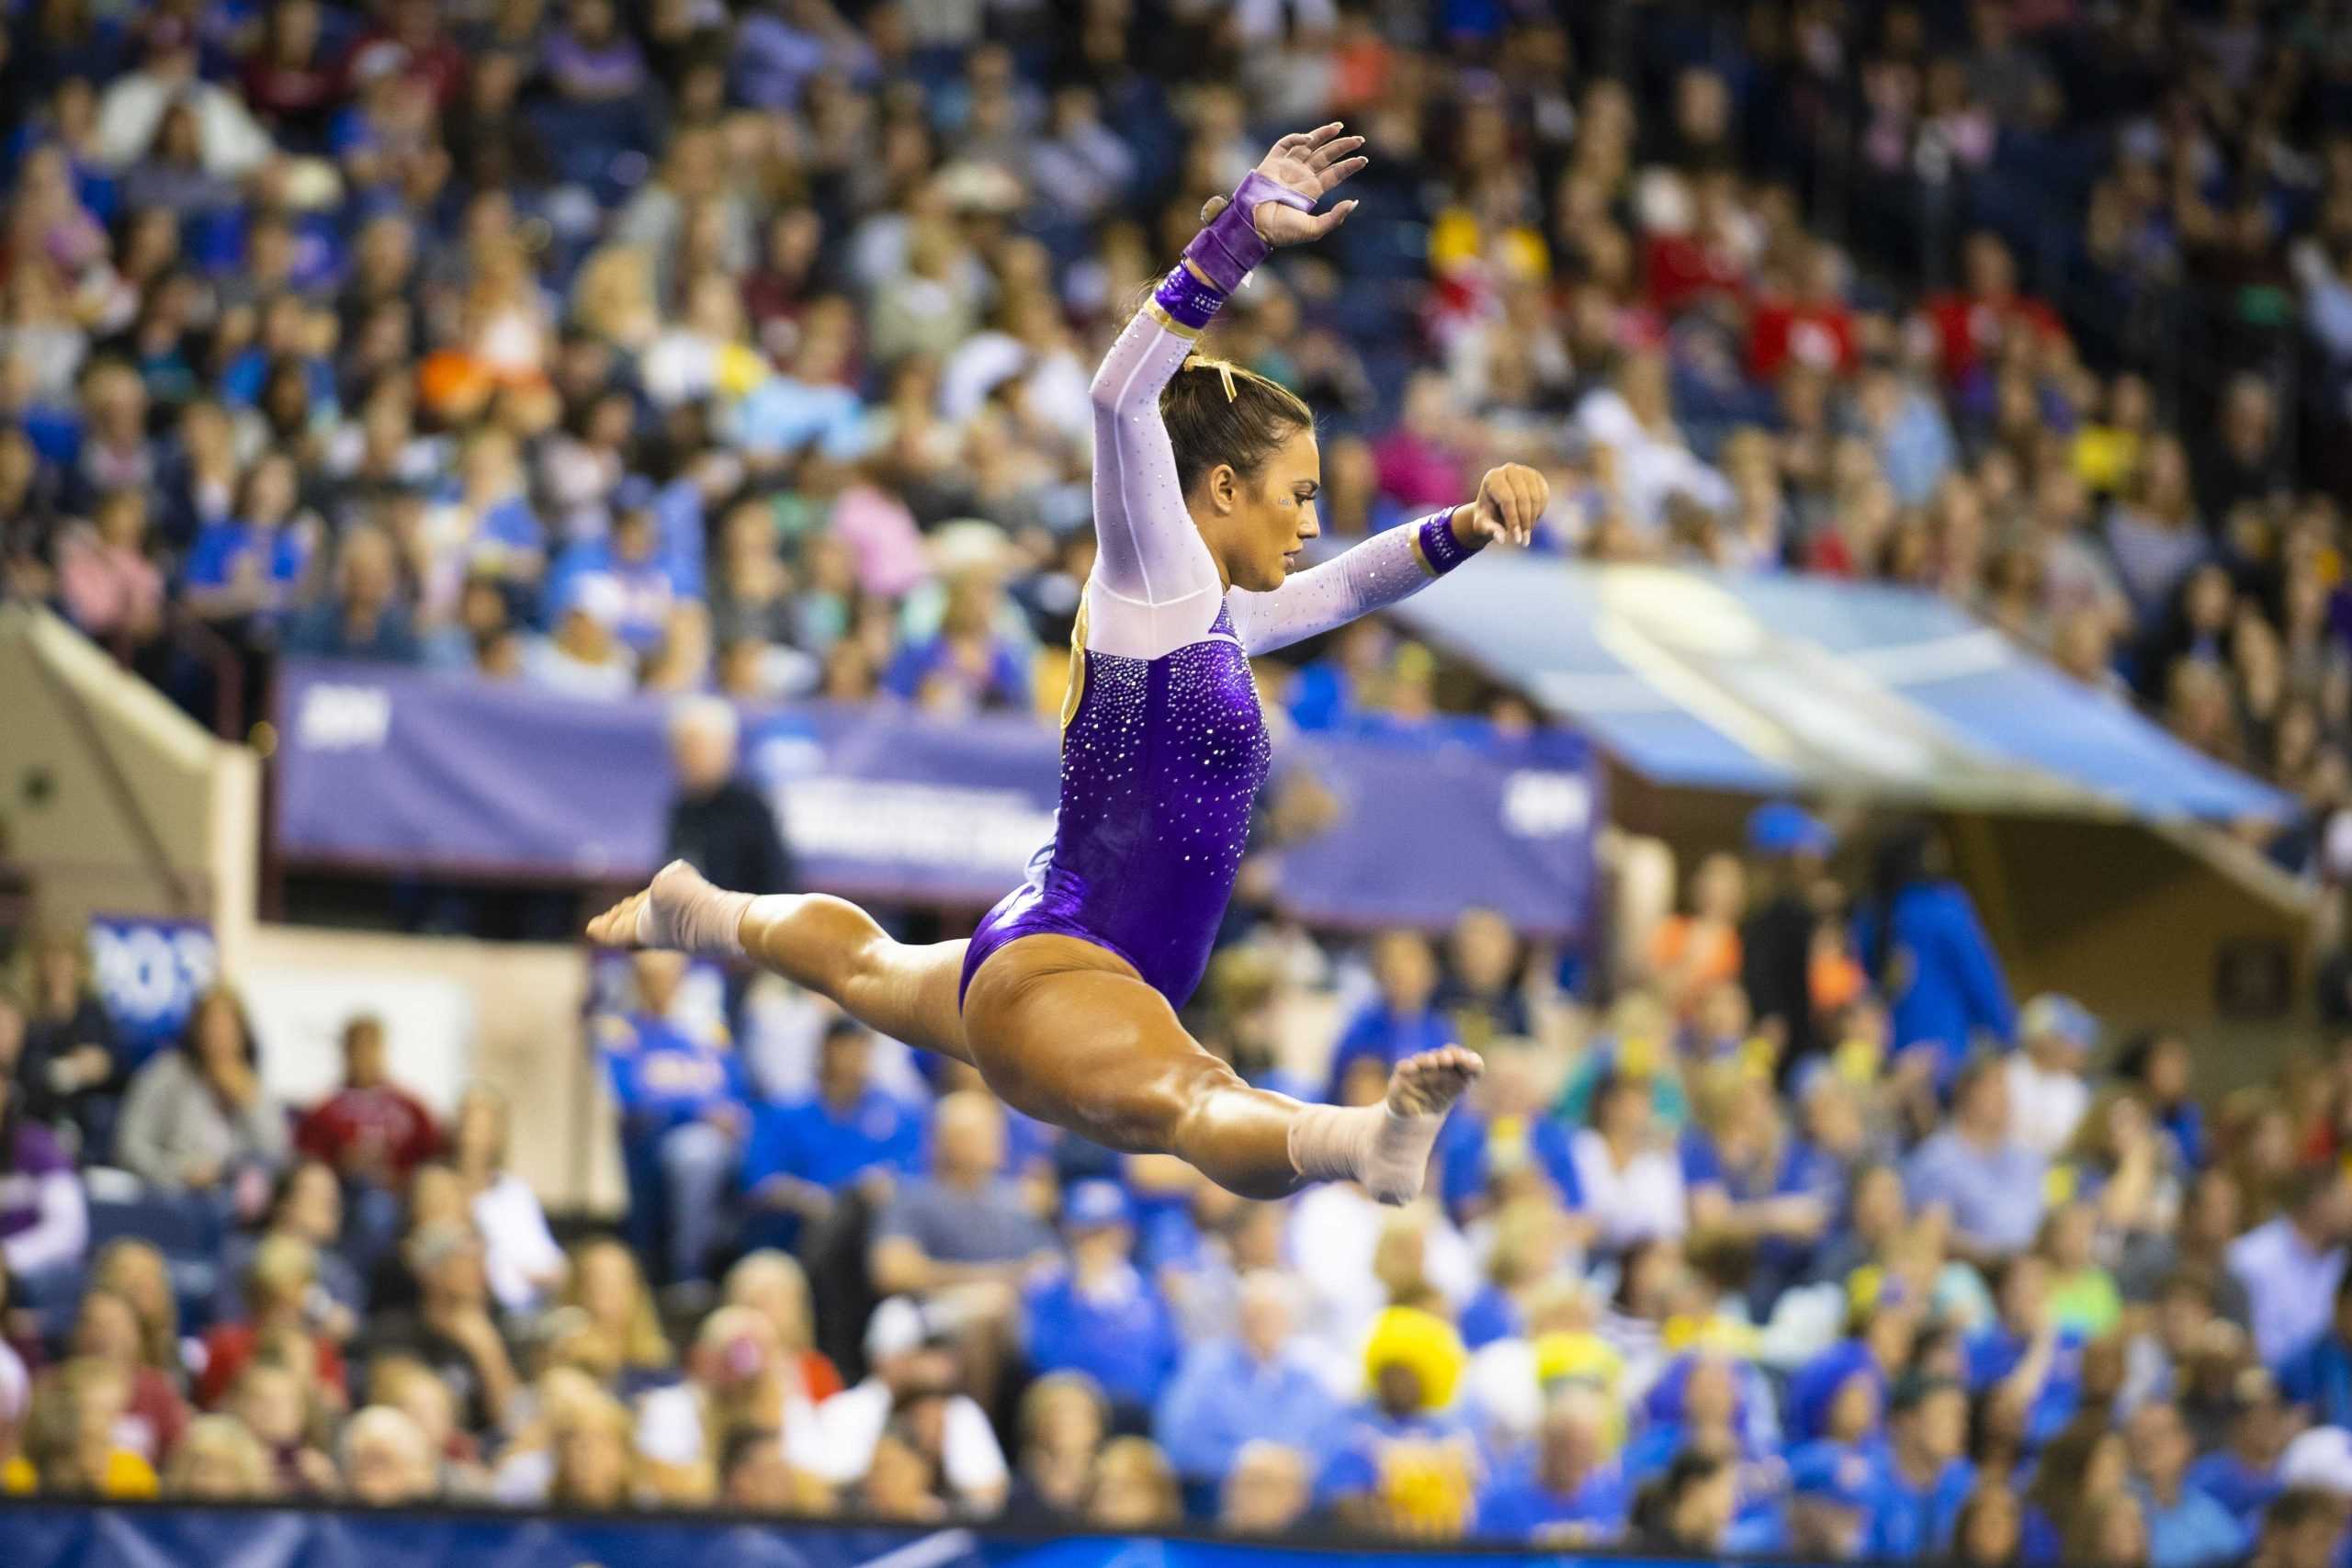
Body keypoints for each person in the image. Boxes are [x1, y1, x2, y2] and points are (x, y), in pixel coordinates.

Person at [590, 125, 1540, 1206]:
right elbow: (1117, 398)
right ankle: (1353, 1142)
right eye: (1300, 494)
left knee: (861, 965)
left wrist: (1464, 524)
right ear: (1221, 490)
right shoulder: (1152, 583)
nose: (1312, 524)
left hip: (1048, 954)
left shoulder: (1216, 623)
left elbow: (1355, 587)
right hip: (1070, 970)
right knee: (1190, 1097)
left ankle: (696, 909)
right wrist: (1235, 239)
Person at [1154, 1269, 1341, 1494]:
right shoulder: (1204, 1369)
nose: (1265, 1325)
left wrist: (1291, 1468)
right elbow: (1179, 1443)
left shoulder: (1308, 1379)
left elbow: (1332, 1443)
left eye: (1274, 1315)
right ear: (1239, 1319)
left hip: (1297, 1506)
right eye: (1256, 1315)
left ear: (1289, 1321)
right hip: (1220, 1502)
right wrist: (1248, 1466)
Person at [1021, 1180, 1179, 1418]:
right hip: (1074, 1410)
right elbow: (1043, 1357)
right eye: (1086, 1233)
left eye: (1105, 1232)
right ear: (1070, 1234)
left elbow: (1166, 1358)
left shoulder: (1148, 1290)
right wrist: (1080, 1297)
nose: (1096, 1244)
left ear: (1126, 1233)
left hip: (1140, 1410)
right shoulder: (1051, 1289)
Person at [115, 987, 290, 1195]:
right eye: (212, 1025)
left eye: (228, 1026)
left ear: (243, 1033)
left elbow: (276, 1154)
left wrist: (249, 1102)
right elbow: (129, 1146)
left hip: (232, 1199)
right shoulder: (166, 1074)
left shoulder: (250, 1083)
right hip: (169, 1193)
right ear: (196, 1030)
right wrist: (179, 1173)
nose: (219, 1035)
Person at [662, 694, 796, 905]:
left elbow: (776, 885)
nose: (690, 757)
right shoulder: (682, 808)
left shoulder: (751, 809)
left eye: (699, 747)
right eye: (683, 748)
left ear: (727, 749)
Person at [1475, 1385, 1631, 1542]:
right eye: (1565, 1446)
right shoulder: (1501, 1503)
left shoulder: (1612, 1498)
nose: (1576, 1458)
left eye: (1586, 1447)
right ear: (1546, 1444)